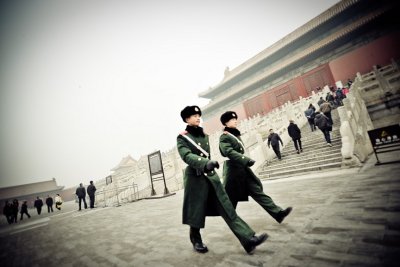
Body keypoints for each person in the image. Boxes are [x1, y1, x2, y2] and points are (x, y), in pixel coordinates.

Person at [177, 105, 268, 254]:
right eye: (194, 116)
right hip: (196, 179)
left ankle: (248, 239)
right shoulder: (182, 137)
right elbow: (186, 155)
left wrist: (209, 164)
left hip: (211, 178)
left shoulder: (203, 135)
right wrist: (205, 163)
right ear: (187, 119)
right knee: (196, 211)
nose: (198, 117)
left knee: (227, 208)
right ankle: (196, 238)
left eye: (199, 115)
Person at [219, 111, 293, 223]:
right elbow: (228, 151)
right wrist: (245, 159)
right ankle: (230, 219)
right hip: (233, 172)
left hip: (242, 170)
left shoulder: (235, 134)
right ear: (226, 123)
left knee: (257, 191)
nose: (235, 121)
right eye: (232, 119)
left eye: (235, 119)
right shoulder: (224, 137)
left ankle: (277, 213)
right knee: (230, 200)